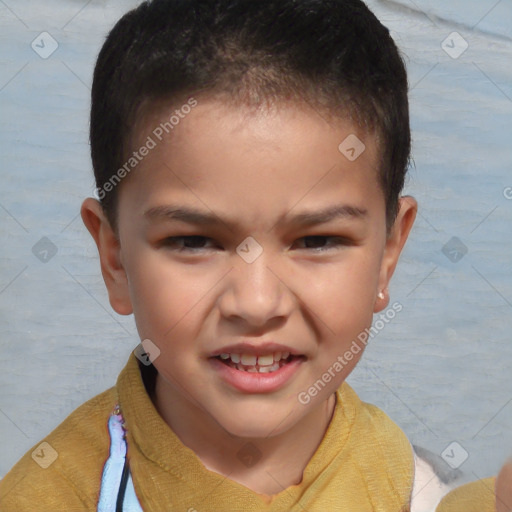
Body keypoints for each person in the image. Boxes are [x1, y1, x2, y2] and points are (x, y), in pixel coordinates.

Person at [0, 0, 507, 510]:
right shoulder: (50, 497)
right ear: (113, 258)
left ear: (387, 254)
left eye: (316, 241)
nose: (257, 302)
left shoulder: (421, 491)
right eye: (194, 241)